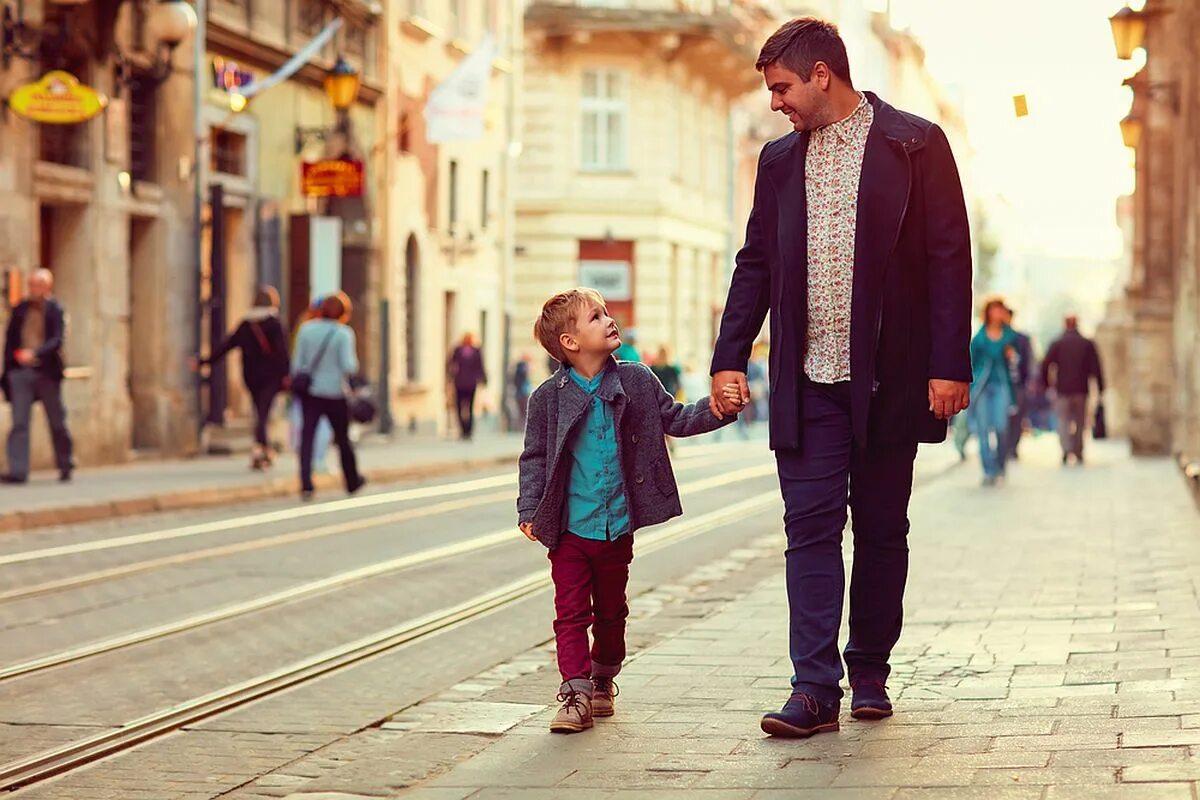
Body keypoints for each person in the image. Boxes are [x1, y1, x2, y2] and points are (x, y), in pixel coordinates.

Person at [708, 18, 972, 738]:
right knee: (811, 529)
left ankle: (872, 673)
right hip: (807, 379)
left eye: (782, 87)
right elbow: (755, 261)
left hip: (891, 379)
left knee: (883, 528)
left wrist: (950, 363)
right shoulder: (778, 161)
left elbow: (950, 256)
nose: (775, 102)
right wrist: (730, 353)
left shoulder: (915, 143)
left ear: (821, 74)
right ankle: (814, 688)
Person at [517, 287, 735, 734]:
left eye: (605, 312)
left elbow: (674, 418)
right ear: (571, 344)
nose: (609, 320)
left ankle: (603, 677)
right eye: (596, 317)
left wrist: (717, 410)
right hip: (569, 528)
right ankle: (574, 694)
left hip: (617, 525)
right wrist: (529, 507)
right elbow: (535, 457)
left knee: (611, 612)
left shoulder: (636, 380)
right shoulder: (547, 398)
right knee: (571, 612)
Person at [194, 286, 290, 470]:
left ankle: (262, 449)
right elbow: (282, 353)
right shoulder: (274, 324)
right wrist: (286, 375)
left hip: (251, 376)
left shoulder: (247, 324)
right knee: (263, 414)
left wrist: (204, 362)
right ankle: (261, 450)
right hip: (270, 377)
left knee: (259, 412)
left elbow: (226, 346)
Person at [0, 269, 74, 483]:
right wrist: (9, 369)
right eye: (32, 285)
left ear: (48, 287)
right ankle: (18, 471)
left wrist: (36, 353)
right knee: (20, 422)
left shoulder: (56, 310)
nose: (34, 289)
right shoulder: (20, 309)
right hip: (20, 372)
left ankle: (65, 462)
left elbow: (56, 340)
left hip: (46, 372)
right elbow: (10, 340)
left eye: (39, 285)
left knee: (57, 421)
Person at [291, 292, 365, 501]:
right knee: (342, 439)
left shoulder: (306, 330)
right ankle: (351, 480)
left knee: (308, 438)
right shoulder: (343, 334)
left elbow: (297, 364)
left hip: (311, 393)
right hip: (335, 394)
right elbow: (350, 366)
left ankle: (306, 483)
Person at [1041, 314, 1105, 465]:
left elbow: (1045, 365)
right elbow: (1096, 367)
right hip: (1081, 389)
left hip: (1062, 389)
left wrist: (1047, 384)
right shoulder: (1086, 344)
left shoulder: (1057, 343)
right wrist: (1101, 386)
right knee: (1080, 422)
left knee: (1063, 421)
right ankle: (1078, 450)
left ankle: (1066, 449)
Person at [969, 299, 1018, 487]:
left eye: (1000, 310)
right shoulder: (979, 338)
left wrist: (1013, 357)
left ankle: (1000, 464)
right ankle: (988, 470)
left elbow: (1018, 362)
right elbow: (971, 363)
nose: (997, 313)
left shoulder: (1011, 336)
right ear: (988, 313)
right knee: (982, 430)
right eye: (994, 310)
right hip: (982, 388)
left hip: (1002, 386)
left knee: (1001, 427)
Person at [290, 297, 334, 474]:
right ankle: (319, 460)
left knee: (304, 427)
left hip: (305, 386)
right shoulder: (336, 330)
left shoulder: (303, 328)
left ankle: (306, 467)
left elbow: (296, 359)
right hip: (329, 388)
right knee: (323, 426)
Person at [1003, 305, 1035, 461]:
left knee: (1016, 418)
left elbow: (1030, 361)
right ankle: (1003, 447)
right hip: (1001, 384)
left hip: (1018, 384)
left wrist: (1031, 382)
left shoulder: (1022, 339)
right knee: (1002, 419)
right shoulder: (991, 337)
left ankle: (1012, 447)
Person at [447, 333, 487, 440]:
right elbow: (480, 366)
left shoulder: (461, 350)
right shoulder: (470, 351)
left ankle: (465, 430)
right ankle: (467, 431)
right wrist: (483, 379)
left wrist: (450, 377)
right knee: (467, 408)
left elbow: (451, 365)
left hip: (462, 383)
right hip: (468, 383)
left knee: (461, 408)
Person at [512, 352, 533, 431]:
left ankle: (521, 426)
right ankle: (522, 427)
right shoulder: (523, 368)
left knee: (522, 411)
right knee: (524, 410)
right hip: (523, 392)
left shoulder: (519, 368)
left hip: (520, 392)